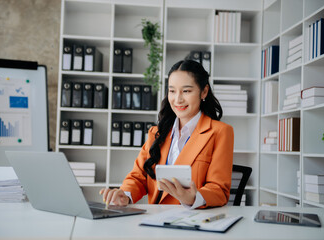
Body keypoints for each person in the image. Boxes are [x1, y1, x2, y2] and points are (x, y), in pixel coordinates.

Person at [100, 59, 234, 209]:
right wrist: (125, 195)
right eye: (172, 91)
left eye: (186, 91)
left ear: (204, 91)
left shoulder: (220, 132)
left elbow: (219, 190)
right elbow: (139, 177)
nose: (178, 99)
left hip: (192, 221)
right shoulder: (157, 132)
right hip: (156, 223)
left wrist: (194, 197)